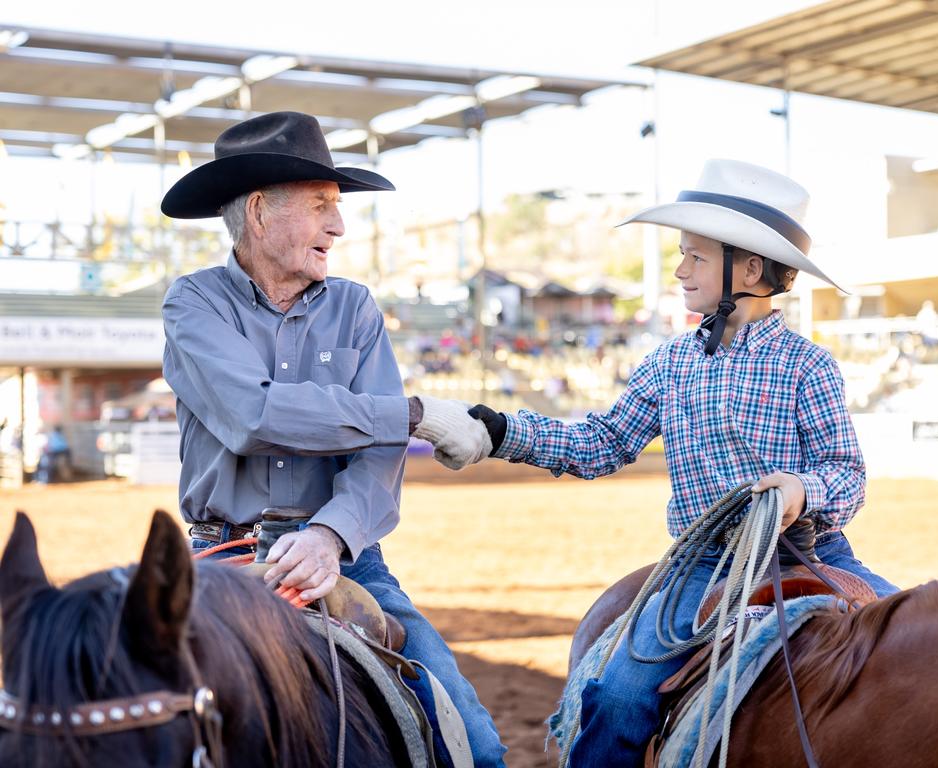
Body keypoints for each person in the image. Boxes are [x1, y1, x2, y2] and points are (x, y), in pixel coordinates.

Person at [457, 160, 900, 767]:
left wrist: (801, 489)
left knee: (921, 653)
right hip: (706, 566)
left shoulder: (808, 364)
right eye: (682, 254)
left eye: (694, 255)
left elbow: (846, 475)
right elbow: (601, 442)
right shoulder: (671, 365)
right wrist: (501, 431)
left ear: (750, 268)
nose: (679, 269)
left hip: (815, 555)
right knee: (618, 699)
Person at [159, 111, 503, 766]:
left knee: (477, 746)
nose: (339, 226)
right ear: (260, 212)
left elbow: (375, 460)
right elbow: (255, 415)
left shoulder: (356, 307)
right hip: (218, 556)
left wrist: (327, 536)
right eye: (322, 207)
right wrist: (413, 414)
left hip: (348, 556)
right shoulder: (193, 303)